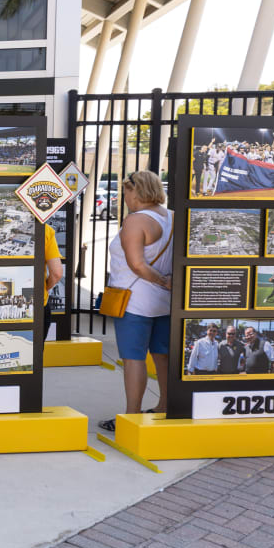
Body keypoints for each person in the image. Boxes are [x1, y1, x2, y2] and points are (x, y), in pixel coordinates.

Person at [99, 170, 173, 432]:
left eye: (126, 191)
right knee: (162, 355)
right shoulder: (172, 216)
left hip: (134, 300)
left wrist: (162, 280)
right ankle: (164, 405)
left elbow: (138, 265)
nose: (125, 197)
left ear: (136, 191)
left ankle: (131, 416)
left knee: (134, 358)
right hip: (164, 302)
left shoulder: (136, 221)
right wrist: (167, 283)